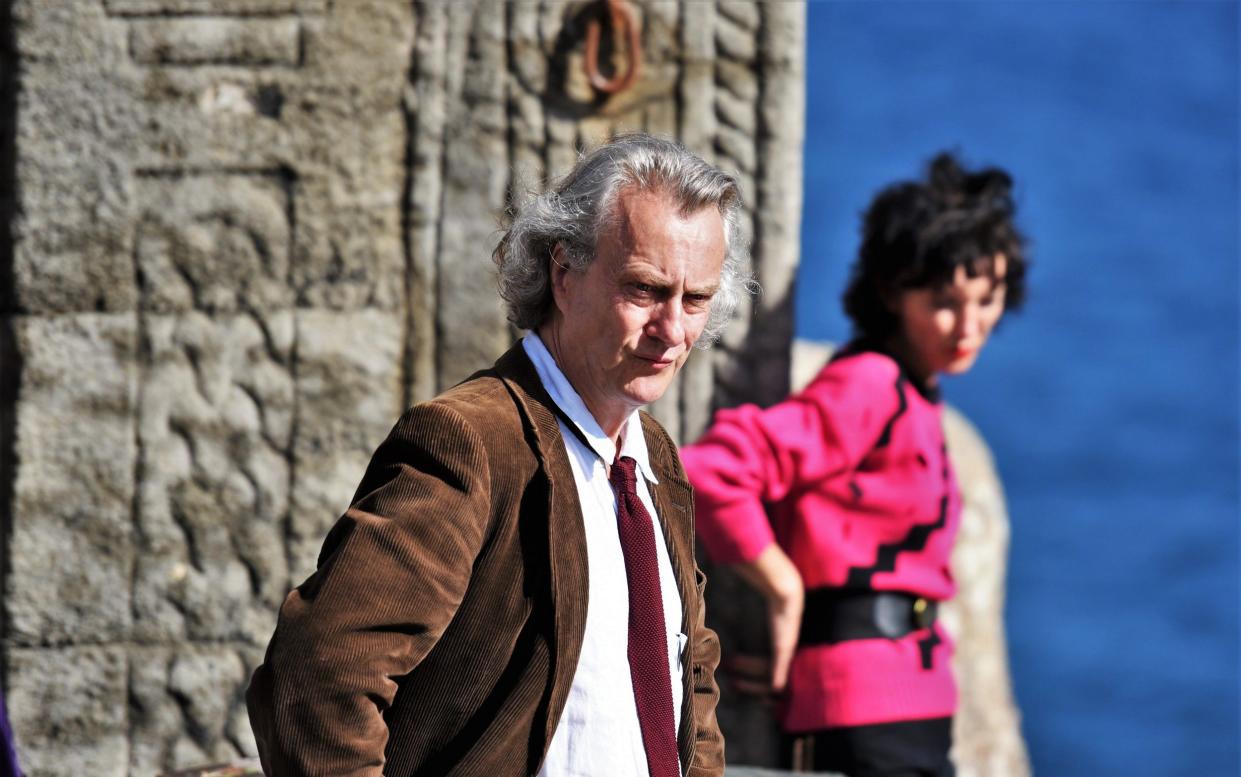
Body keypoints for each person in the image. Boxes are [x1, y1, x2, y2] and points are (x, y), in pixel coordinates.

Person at [246, 133, 751, 777]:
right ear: (563, 274)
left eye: (697, 299)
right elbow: (317, 679)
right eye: (645, 290)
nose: (674, 331)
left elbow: (690, 683)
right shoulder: (471, 441)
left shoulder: (652, 458)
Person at [680, 152, 1028, 777]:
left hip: (907, 705)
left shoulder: (915, 390)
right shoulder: (869, 384)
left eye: (989, 297)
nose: (970, 325)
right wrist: (784, 590)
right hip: (864, 715)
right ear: (893, 291)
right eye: (945, 300)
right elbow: (713, 469)